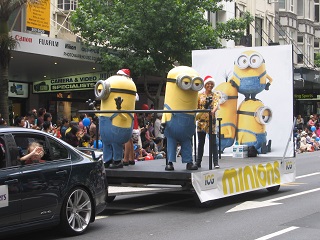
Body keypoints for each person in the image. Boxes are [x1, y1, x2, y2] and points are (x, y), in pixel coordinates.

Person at [195, 75, 220, 168]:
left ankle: (216, 163)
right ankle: (198, 162)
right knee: (201, 143)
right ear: (205, 85)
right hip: (201, 121)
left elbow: (216, 104)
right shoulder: (199, 95)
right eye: (208, 84)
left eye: (211, 84)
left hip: (211, 121)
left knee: (214, 143)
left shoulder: (215, 95)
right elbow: (196, 107)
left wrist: (213, 111)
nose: (210, 85)